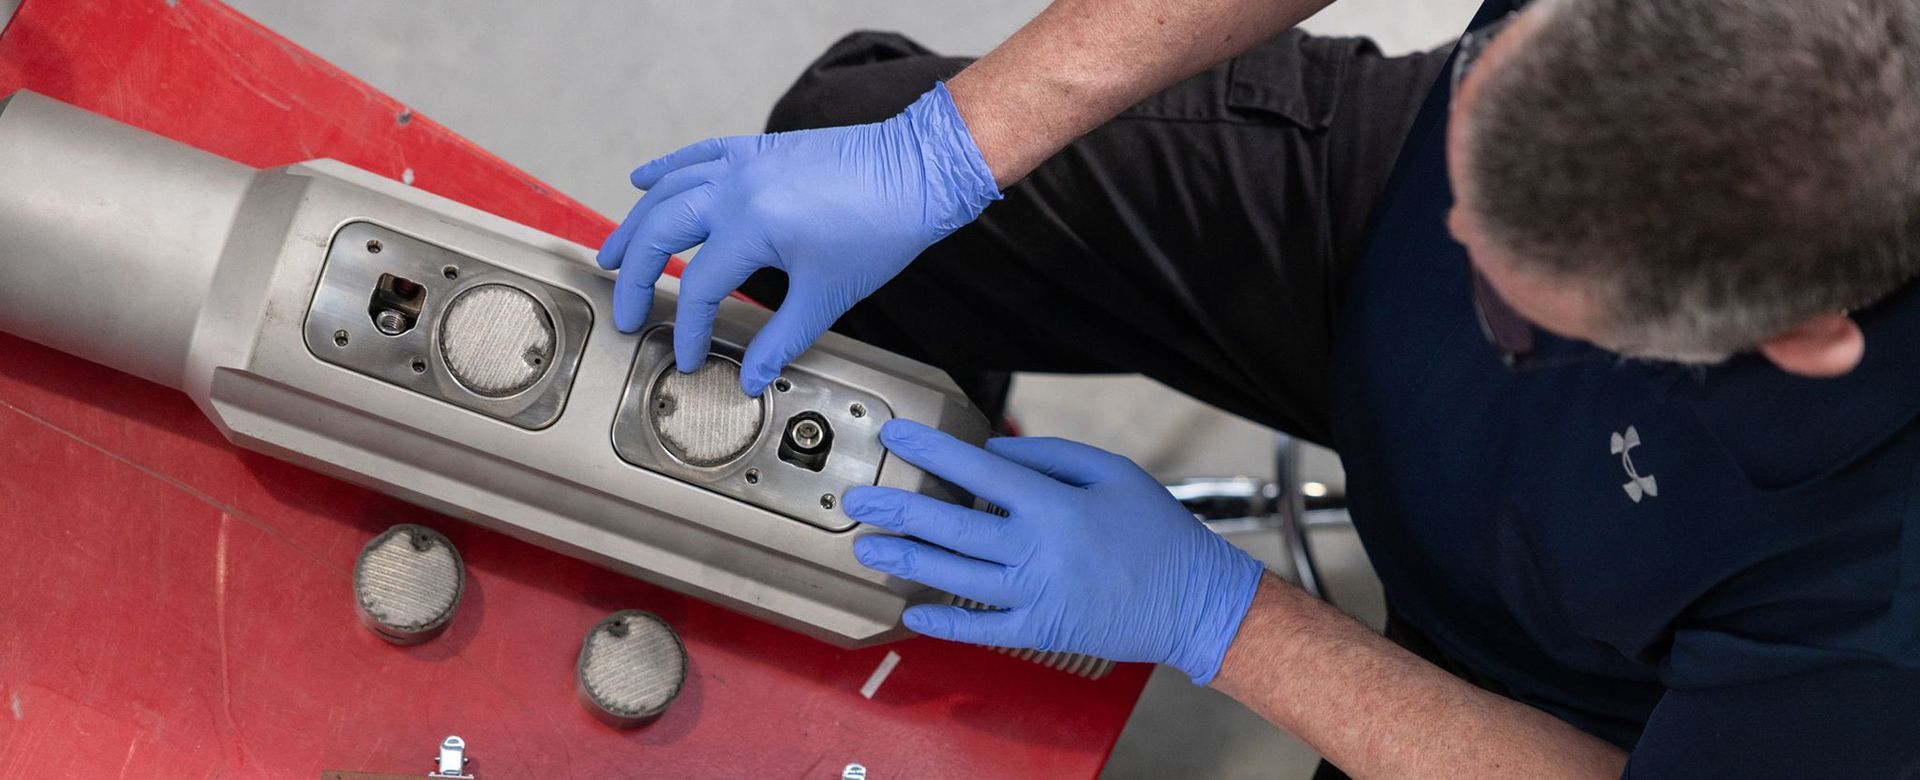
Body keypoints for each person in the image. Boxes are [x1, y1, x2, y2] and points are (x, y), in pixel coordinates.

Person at [598, 0, 1920, 775]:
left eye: (1519, 298)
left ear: (1801, 338)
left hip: (1579, 672)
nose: (1463, 235)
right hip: (1361, 213)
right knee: (842, 148)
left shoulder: (1884, 607)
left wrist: (1218, 619)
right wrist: (942, 154)